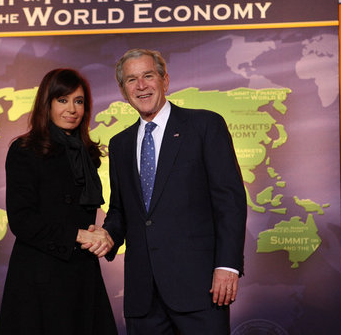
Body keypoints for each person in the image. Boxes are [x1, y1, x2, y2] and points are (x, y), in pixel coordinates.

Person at [100, 49, 247, 334]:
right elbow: (121, 209)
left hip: (201, 290)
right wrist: (107, 235)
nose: (141, 86)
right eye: (131, 80)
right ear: (122, 90)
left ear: (165, 81)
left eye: (148, 76)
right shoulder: (119, 144)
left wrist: (228, 265)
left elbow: (229, 200)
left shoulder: (205, 126)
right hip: (143, 298)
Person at [0, 68, 117, 335]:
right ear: (47, 103)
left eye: (79, 101)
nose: (72, 109)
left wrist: (100, 236)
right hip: (40, 275)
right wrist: (76, 235)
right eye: (62, 100)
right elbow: (22, 219)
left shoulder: (88, 153)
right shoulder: (25, 150)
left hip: (82, 273)